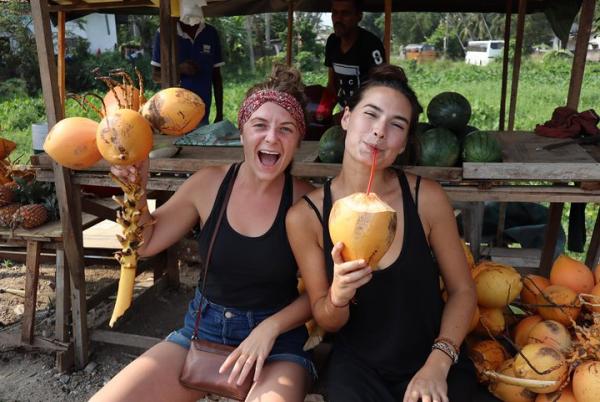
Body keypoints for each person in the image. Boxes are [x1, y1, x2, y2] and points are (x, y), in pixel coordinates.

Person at [90, 65, 316, 402]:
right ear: (242, 133)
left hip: (276, 345)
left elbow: (322, 295)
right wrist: (137, 186)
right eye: (259, 125)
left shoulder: (307, 201)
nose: (271, 137)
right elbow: (146, 243)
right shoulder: (208, 184)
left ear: (298, 141)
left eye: (286, 129)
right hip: (204, 331)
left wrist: (270, 328)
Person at [286, 64, 478, 402]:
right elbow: (326, 320)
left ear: (403, 144)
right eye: (370, 115)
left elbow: (463, 291)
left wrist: (439, 361)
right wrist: (338, 296)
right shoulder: (306, 217)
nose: (379, 132)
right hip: (357, 372)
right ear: (346, 118)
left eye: (396, 125)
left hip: (430, 360)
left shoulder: (426, 198)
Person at [151, 19, 224, 125]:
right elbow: (156, 76)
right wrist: (179, 69)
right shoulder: (164, 33)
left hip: (202, 114)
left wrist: (219, 114)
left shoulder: (210, 33)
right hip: (173, 115)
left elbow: (216, 76)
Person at [322, 0, 386, 112]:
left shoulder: (371, 44)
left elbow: (381, 88)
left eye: (345, 13)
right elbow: (332, 84)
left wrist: (356, 114)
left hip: (368, 112)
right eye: (335, 13)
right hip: (343, 110)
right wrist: (324, 111)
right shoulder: (332, 42)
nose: (338, 19)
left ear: (359, 16)